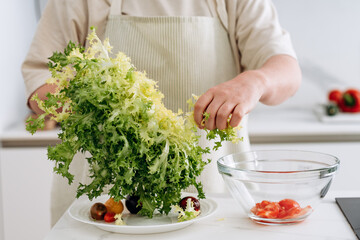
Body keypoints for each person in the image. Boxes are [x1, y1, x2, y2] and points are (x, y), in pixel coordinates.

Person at [22, 0, 301, 225]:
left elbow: (286, 70)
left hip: (211, 192)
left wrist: (255, 81)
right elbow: (40, 84)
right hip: (103, 200)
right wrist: (90, 95)